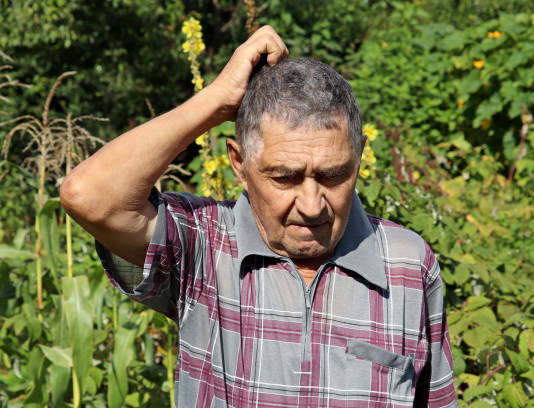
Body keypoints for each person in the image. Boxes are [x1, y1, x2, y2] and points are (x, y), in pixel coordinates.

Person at [61, 26, 457, 407]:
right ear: (239, 163)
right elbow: (90, 196)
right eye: (285, 177)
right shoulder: (204, 247)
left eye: (333, 175)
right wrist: (216, 100)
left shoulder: (407, 264)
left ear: (359, 155)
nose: (312, 203)